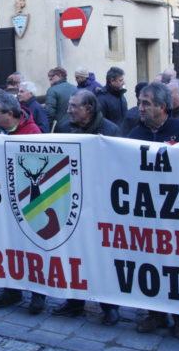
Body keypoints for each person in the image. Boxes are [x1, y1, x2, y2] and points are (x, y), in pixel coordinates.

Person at [127, 82, 179, 338]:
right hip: (145, 212)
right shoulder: (134, 135)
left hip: (176, 213)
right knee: (149, 263)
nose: (141, 108)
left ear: (162, 106)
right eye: (139, 102)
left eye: (146, 103)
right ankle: (155, 313)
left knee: (177, 264)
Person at [51, 90, 124, 324]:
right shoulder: (63, 128)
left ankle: (109, 305)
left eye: (73, 106)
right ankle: (74, 302)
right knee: (73, 254)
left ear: (89, 109)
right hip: (70, 202)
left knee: (102, 255)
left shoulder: (111, 130)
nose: (68, 110)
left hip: (100, 203)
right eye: (69, 106)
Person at [0, 94, 47, 313]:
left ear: (10, 114)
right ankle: (11, 289)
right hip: (1, 197)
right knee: (6, 243)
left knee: (32, 246)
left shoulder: (33, 132)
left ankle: (38, 293)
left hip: (28, 199)